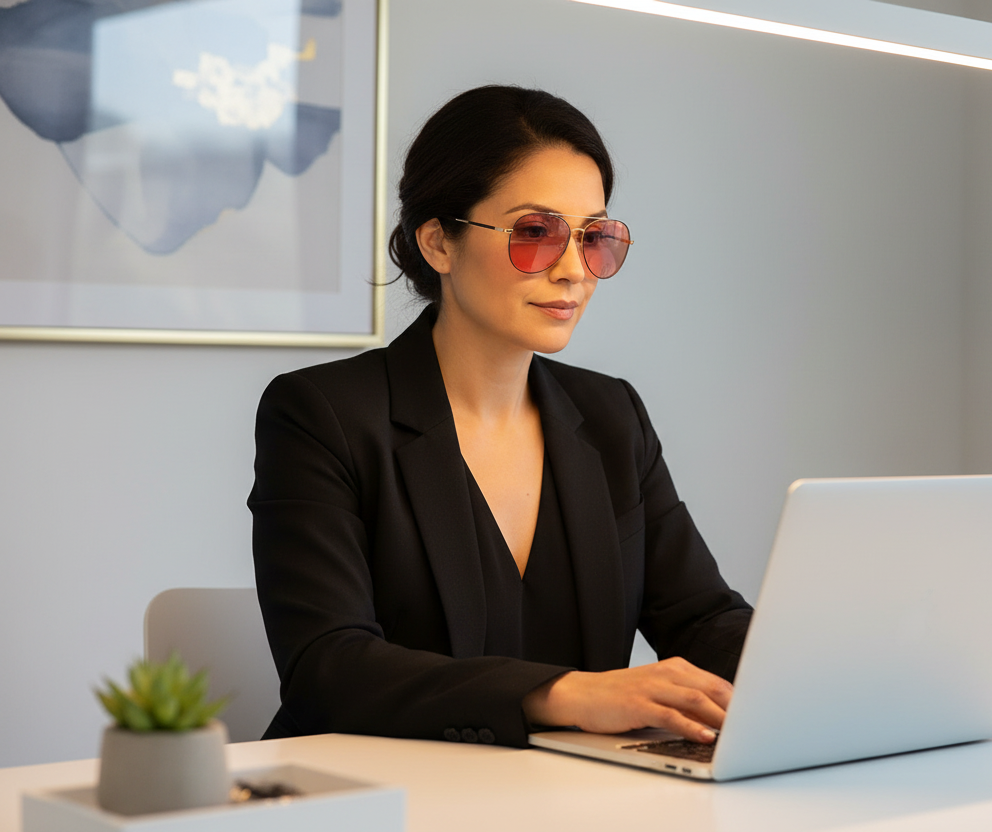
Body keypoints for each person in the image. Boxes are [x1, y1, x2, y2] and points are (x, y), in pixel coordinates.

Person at [249, 85, 752, 749]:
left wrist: (819, 677)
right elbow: (328, 669)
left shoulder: (611, 416)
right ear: (438, 243)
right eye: (536, 233)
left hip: (562, 799)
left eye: (595, 237)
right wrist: (567, 693)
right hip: (380, 798)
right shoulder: (322, 414)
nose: (575, 271)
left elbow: (702, 617)